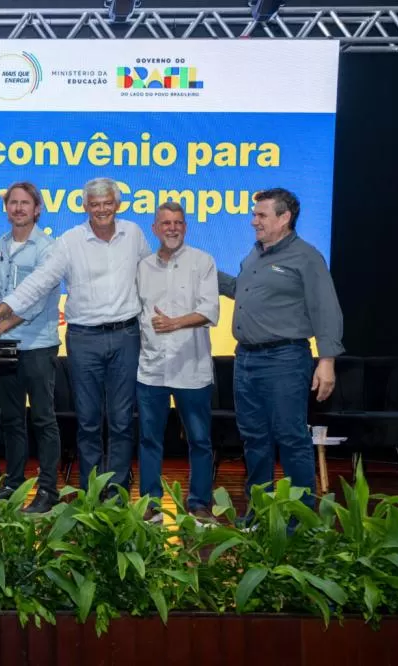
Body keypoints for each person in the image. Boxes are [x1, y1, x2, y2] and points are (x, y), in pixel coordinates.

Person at [0, 177, 150, 497]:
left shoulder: (134, 234)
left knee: (122, 420)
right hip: (84, 338)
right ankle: (90, 491)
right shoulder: (70, 241)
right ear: (85, 207)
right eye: (95, 204)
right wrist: (4, 308)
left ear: (117, 205)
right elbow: (41, 281)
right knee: (88, 422)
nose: (102, 210)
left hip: (126, 335)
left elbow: (149, 277)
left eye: (107, 203)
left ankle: (116, 490)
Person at [218, 187, 343, 510]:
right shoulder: (255, 255)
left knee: (291, 438)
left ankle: (300, 518)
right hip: (246, 359)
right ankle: (260, 513)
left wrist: (326, 361)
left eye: (261, 215)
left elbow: (326, 308)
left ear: (284, 217)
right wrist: (204, 271)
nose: (253, 221)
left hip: (284, 359)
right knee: (254, 439)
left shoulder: (306, 257)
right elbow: (242, 290)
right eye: (254, 214)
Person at [0, 182, 62, 513]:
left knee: (43, 419)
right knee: (11, 419)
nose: (19, 208)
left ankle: (48, 490)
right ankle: (13, 483)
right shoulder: (2, 243)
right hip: (5, 347)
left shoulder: (49, 248)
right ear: (6, 208)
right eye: (13, 203)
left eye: (25, 203)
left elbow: (35, 302)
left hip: (37, 344)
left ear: (37, 209)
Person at [135, 201, 219, 523]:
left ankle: (199, 504)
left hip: (191, 368)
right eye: (166, 223)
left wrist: (175, 323)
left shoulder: (202, 261)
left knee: (199, 440)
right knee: (149, 440)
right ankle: (151, 504)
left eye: (178, 223)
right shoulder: (142, 267)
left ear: (185, 227)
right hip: (151, 369)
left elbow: (210, 310)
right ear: (155, 229)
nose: (172, 228)